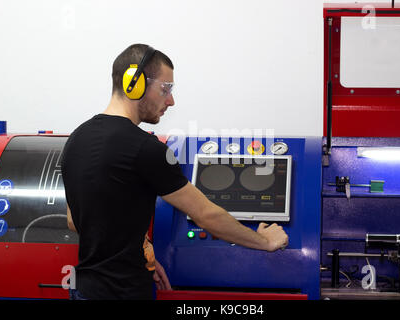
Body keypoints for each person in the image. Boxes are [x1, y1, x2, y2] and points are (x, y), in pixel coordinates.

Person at [61, 43, 288, 300]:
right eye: (165, 89)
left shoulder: (76, 139)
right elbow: (206, 216)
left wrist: (137, 250)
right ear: (133, 83)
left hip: (83, 290)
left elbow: (75, 219)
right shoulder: (146, 148)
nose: (171, 100)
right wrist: (265, 241)